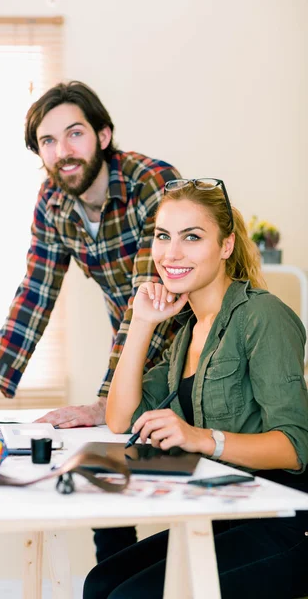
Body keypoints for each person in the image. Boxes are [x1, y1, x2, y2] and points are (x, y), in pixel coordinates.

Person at [0, 80, 181, 561]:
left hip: (187, 350)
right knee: (107, 490)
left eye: (75, 134)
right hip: (131, 352)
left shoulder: (152, 183)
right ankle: (116, 578)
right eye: (47, 141)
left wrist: (107, 400)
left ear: (104, 135)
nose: (62, 151)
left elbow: (146, 301)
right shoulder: (53, 202)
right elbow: (34, 296)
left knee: (175, 484)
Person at [83, 178, 308, 599]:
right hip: (222, 512)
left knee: (130, 597)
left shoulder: (262, 316)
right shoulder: (185, 330)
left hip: (283, 521)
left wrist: (198, 438)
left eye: (192, 237)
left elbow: (295, 447)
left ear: (225, 246)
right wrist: (143, 322)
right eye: (163, 236)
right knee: (101, 584)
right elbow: (118, 418)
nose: (172, 253)